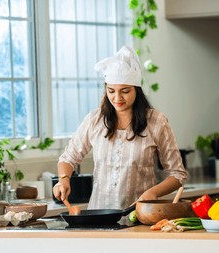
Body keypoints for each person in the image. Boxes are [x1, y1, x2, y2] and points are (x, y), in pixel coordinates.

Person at [53, 45, 187, 209]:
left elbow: (178, 174)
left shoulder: (156, 122)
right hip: (99, 216)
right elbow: (68, 158)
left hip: (139, 216)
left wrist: (153, 193)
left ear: (137, 90)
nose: (117, 98)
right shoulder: (95, 120)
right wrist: (63, 179)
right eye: (111, 91)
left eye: (125, 91)